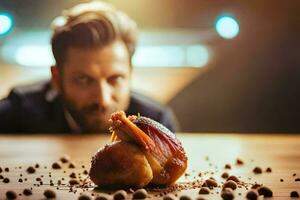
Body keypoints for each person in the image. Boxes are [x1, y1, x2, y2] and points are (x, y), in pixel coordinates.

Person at [0, 1, 178, 133]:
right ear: (56, 78)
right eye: (83, 80)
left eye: (115, 79)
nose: (103, 100)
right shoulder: (16, 115)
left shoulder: (157, 123)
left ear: (130, 74)